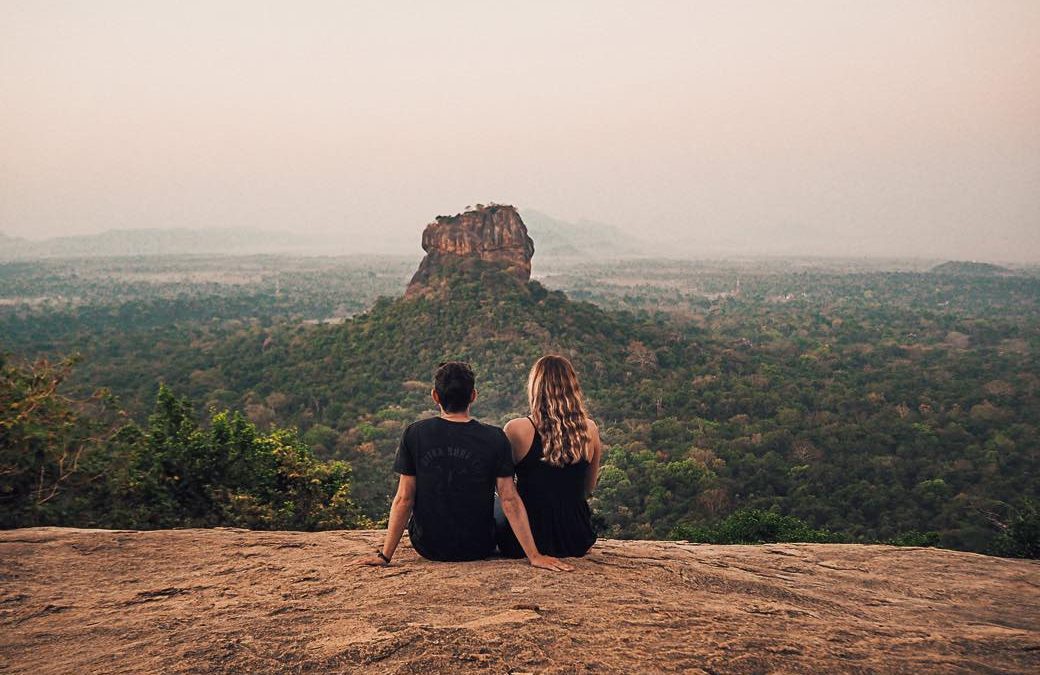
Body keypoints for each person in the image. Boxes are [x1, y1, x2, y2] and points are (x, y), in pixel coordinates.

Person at [356, 361, 573, 571]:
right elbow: (509, 498)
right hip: (478, 546)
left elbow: (404, 498)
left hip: (429, 546)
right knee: (499, 502)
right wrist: (534, 556)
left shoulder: (415, 434)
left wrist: (385, 555)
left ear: (435, 396)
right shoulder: (495, 437)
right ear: (473, 396)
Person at [496, 355, 601, 558]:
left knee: (495, 501)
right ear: (572, 388)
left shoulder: (516, 429)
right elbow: (588, 487)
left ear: (535, 387)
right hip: (576, 539)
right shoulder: (590, 429)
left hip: (526, 542)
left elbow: (506, 493)